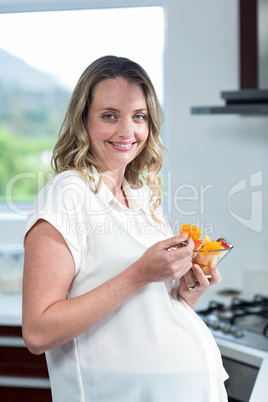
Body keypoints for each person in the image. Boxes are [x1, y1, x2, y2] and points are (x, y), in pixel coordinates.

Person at [22, 55, 228, 402]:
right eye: (109, 116)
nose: (127, 132)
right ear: (83, 120)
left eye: (139, 117)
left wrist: (181, 297)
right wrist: (139, 274)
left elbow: (138, 315)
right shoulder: (67, 192)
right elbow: (38, 332)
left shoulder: (141, 195)